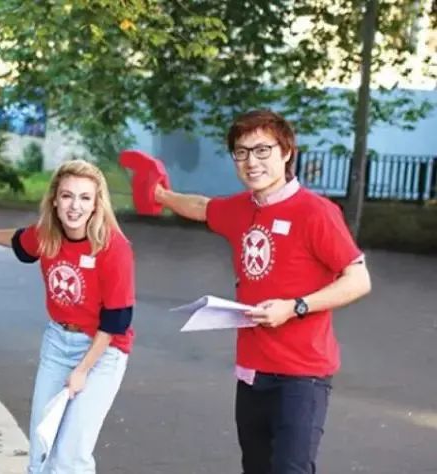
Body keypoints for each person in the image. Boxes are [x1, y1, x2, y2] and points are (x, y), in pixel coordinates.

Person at [151, 109, 372, 473]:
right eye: (241, 152)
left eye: (262, 150)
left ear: (286, 152)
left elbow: (359, 279)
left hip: (302, 375)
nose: (251, 162)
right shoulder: (240, 208)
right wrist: (160, 193)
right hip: (252, 371)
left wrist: (295, 306)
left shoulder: (316, 212)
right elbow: (203, 207)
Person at [0, 159, 135, 472]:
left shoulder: (113, 248)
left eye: (84, 197)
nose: (75, 206)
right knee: (41, 451)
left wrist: (82, 370)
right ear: (54, 200)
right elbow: (20, 241)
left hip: (103, 350)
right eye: (67, 196)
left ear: (96, 204)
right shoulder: (47, 235)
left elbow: (116, 322)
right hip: (58, 343)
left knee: (70, 455)